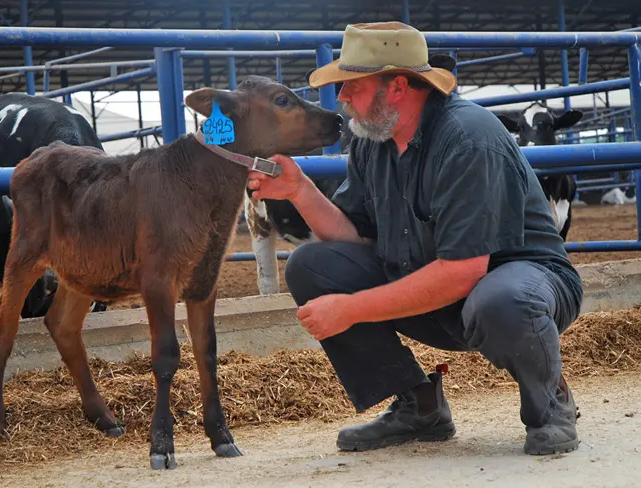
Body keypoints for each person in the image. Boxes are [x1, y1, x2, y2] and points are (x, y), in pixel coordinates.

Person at [246, 21, 583, 456]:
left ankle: (550, 402)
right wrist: (300, 191)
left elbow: (464, 272)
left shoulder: (467, 139)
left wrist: (350, 309)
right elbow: (353, 237)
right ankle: (418, 405)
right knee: (311, 266)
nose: (342, 97)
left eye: (353, 86)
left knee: (501, 300)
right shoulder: (374, 141)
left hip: (519, 286)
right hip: (436, 284)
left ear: (398, 88)